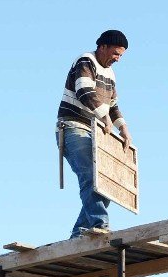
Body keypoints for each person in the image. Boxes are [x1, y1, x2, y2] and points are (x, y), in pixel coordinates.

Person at [57, 30, 133, 238]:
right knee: (90, 177)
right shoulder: (86, 61)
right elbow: (84, 92)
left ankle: (80, 232)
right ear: (103, 47)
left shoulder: (110, 73)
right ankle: (100, 224)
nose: (117, 59)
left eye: (120, 56)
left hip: (95, 131)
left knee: (106, 182)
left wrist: (123, 128)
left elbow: (113, 105)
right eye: (115, 54)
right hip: (73, 127)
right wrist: (104, 117)